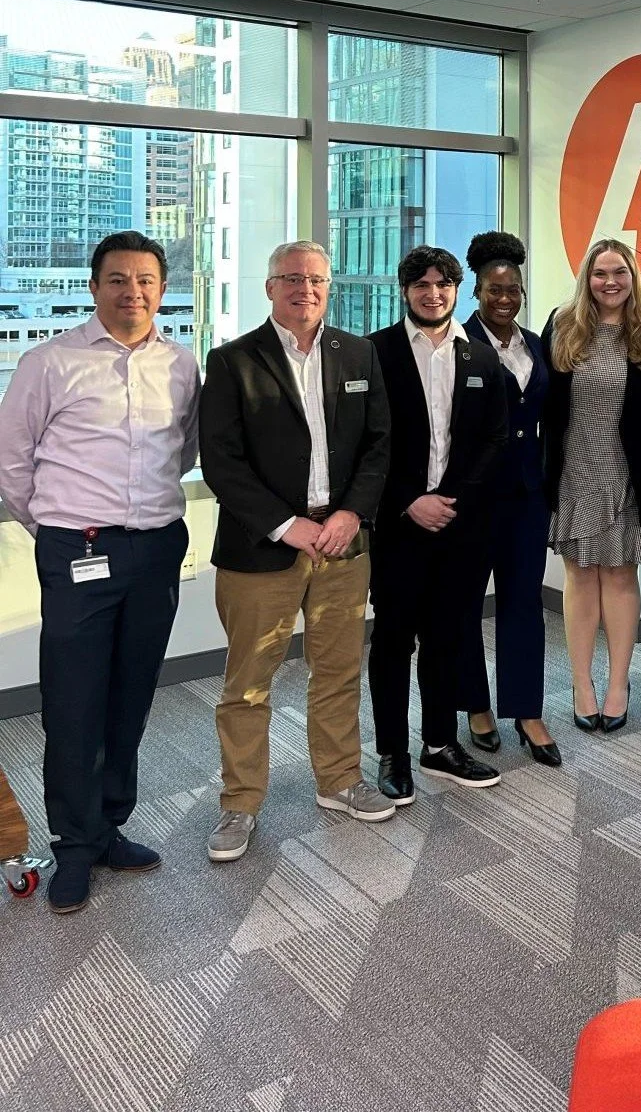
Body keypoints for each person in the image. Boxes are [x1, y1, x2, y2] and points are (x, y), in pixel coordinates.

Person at [0, 231, 199, 912]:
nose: (132, 292)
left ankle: (110, 825)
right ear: (94, 287)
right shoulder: (49, 362)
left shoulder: (181, 364)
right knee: (74, 700)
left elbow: (184, 450)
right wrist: (55, 528)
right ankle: (75, 844)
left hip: (157, 548)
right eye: (117, 279)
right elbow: (12, 460)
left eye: (145, 280)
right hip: (77, 549)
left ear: (162, 290)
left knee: (131, 693)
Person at [200, 240, 393, 862]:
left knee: (338, 671)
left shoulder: (358, 353)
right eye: (290, 278)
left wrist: (351, 513)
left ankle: (339, 780)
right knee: (248, 684)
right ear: (269, 287)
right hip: (264, 548)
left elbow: (379, 445)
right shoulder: (232, 360)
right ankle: (240, 803)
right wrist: (285, 525)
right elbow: (221, 462)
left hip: (342, 543)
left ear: (328, 286)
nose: (304, 289)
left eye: (315, 279)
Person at [367, 246, 508, 803]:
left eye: (444, 284)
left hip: (460, 526)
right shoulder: (375, 352)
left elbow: (493, 438)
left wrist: (451, 500)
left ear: (457, 289)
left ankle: (439, 745)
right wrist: (410, 501)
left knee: (448, 636)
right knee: (393, 641)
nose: (433, 294)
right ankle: (392, 752)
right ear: (405, 290)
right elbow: (365, 443)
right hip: (398, 526)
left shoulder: (480, 358)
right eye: (422, 284)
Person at [543, 238, 641, 734]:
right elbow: (541, 401)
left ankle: (619, 685)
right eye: (600, 273)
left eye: (619, 273)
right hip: (574, 473)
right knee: (581, 576)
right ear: (588, 278)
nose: (610, 282)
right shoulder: (562, 326)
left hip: (630, 475)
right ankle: (582, 684)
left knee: (622, 578)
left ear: (633, 278)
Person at [456, 232, 560, 767]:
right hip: (473, 498)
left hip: (525, 497)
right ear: (476, 291)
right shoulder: (456, 343)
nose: (504, 298)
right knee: (466, 603)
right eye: (494, 289)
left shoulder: (536, 345)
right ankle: (476, 704)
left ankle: (526, 710)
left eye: (513, 289)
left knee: (524, 602)